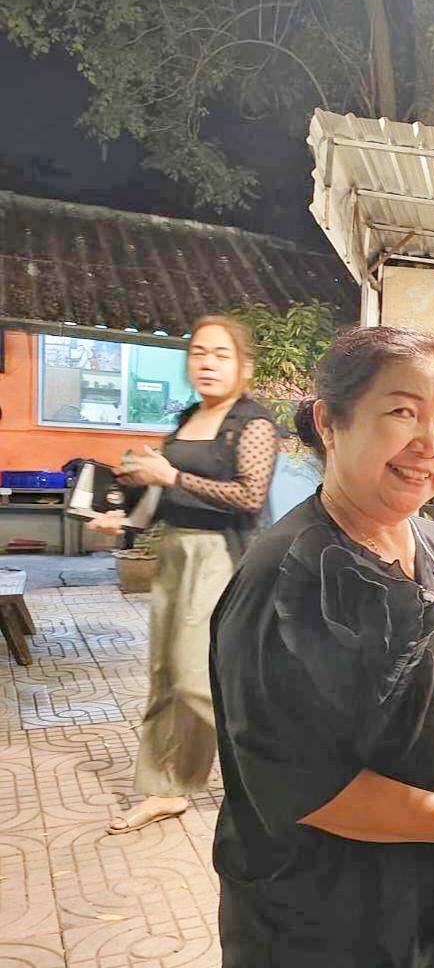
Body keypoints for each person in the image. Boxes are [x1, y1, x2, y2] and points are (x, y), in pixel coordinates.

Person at [209, 326, 434, 968]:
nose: (430, 444)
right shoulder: (287, 575)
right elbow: (298, 781)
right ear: (330, 423)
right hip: (326, 920)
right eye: (403, 412)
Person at [88, 315, 277, 834]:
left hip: (219, 557)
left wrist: (169, 474)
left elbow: (249, 496)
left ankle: (278, 777)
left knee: (198, 679)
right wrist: (124, 518)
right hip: (175, 552)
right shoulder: (189, 417)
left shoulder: (253, 423)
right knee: (165, 674)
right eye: (199, 353)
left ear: (245, 367)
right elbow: (161, 495)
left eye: (221, 354)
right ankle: (165, 789)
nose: (207, 363)